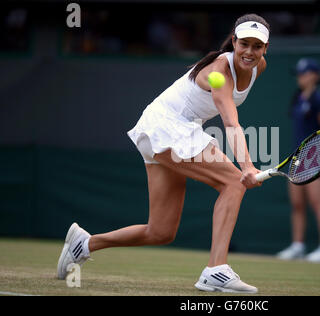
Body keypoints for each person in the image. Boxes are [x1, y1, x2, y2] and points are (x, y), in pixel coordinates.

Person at [57, 14, 271, 293]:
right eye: (244, 44)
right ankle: (216, 270)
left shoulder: (259, 67)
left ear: (265, 49)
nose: (250, 52)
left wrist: (245, 167)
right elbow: (230, 122)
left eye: (257, 46)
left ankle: (84, 244)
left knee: (160, 231)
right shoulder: (220, 70)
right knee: (233, 182)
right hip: (167, 127)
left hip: (166, 130)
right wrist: (247, 168)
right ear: (233, 42)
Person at [277, 58, 320, 263]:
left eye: (305, 73)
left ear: (316, 76)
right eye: (299, 74)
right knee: (297, 204)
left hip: (316, 160)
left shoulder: (319, 99)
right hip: (297, 160)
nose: (300, 78)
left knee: (318, 203)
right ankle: (298, 246)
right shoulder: (299, 98)